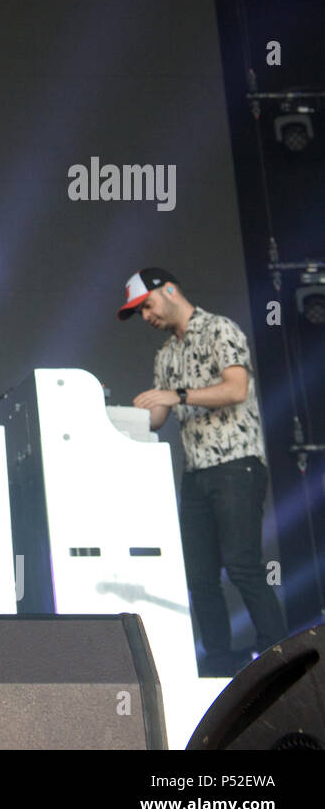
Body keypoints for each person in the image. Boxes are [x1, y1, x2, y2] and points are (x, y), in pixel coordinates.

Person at [120, 267, 287, 676]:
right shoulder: (165, 354)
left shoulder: (219, 330)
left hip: (237, 464)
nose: (146, 316)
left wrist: (175, 395)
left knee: (243, 563)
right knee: (199, 575)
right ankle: (219, 660)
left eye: (147, 305)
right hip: (196, 473)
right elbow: (158, 417)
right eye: (139, 311)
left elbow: (236, 389)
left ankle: (277, 654)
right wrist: (119, 417)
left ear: (171, 290)